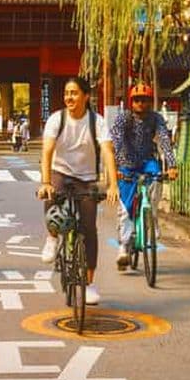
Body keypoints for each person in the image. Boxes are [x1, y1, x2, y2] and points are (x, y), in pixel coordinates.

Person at [37, 76, 120, 305]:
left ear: (86, 96)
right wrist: (46, 182)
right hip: (61, 172)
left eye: (74, 93)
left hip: (86, 178)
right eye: (66, 93)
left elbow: (108, 152)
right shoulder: (57, 119)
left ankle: (89, 283)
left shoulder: (97, 121)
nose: (69, 97)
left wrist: (113, 185)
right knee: (51, 196)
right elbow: (47, 151)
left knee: (89, 229)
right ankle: (52, 238)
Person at [110, 83, 178, 269]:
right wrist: (116, 166)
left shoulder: (156, 118)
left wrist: (172, 165)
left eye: (145, 100)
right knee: (125, 209)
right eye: (137, 100)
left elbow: (164, 139)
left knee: (157, 177)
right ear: (132, 102)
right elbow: (116, 142)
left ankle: (151, 214)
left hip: (148, 160)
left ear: (150, 102)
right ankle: (124, 246)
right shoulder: (123, 118)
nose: (141, 104)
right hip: (127, 164)